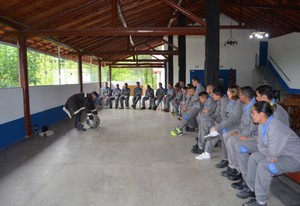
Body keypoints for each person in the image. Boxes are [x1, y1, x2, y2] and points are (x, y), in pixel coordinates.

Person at [237, 101, 300, 206]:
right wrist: (270, 154)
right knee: (254, 157)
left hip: (294, 158)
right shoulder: (263, 124)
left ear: (261, 114)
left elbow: (272, 151)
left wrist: (270, 154)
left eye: (253, 112)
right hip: (280, 153)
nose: (251, 115)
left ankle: (261, 201)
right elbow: (260, 145)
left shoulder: (275, 126)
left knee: (264, 165)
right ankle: (251, 188)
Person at [231, 85, 290, 191]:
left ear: (263, 96)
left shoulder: (276, 111)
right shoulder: (265, 107)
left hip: (275, 146)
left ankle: (249, 182)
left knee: (251, 154)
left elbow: (275, 138)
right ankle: (245, 177)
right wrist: (249, 138)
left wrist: (252, 139)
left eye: (257, 96)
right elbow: (261, 131)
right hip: (262, 141)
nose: (256, 98)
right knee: (239, 144)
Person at [219, 86, 257, 180]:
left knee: (232, 140)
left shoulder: (254, 107)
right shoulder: (245, 105)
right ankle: (233, 166)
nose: (238, 97)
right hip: (242, 130)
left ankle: (238, 169)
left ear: (245, 96)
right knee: (227, 135)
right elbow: (243, 122)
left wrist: (242, 134)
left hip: (250, 135)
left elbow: (253, 127)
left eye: (240, 95)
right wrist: (238, 131)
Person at [210, 85, 243, 169]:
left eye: (228, 91)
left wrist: (218, 126)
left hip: (236, 126)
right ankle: (226, 158)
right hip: (229, 124)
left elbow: (232, 119)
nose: (227, 92)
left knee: (225, 133)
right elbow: (224, 115)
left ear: (233, 92)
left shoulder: (238, 103)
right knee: (220, 131)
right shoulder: (231, 101)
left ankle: (230, 162)